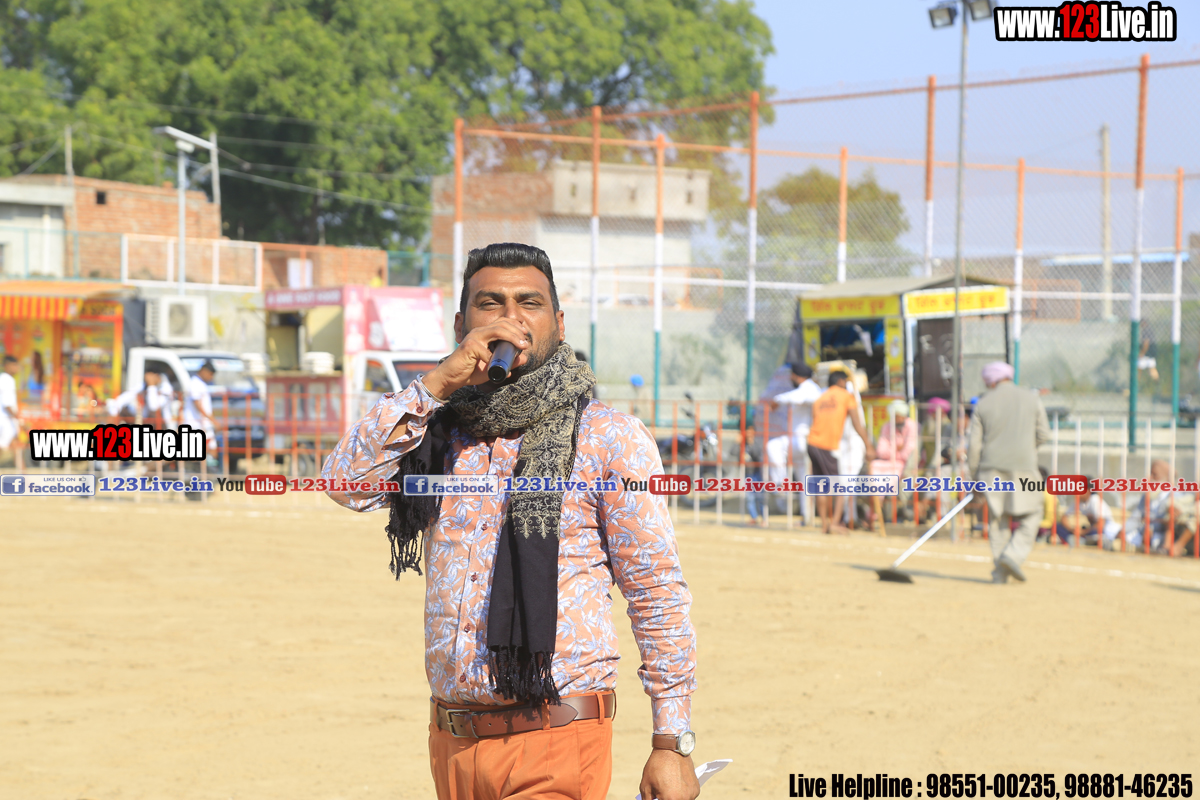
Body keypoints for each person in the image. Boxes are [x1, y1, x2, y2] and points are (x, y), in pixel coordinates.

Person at [322, 242, 699, 800]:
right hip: (454, 744)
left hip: (556, 735)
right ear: (461, 326)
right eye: (490, 303)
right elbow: (345, 484)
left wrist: (672, 741)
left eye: (529, 302)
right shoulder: (438, 434)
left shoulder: (608, 437)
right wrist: (437, 385)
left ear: (558, 324)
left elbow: (655, 591)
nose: (511, 318)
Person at [967, 361, 1051, 583]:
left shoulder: (983, 404)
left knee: (998, 519)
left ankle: (1000, 573)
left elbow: (974, 446)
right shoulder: (1032, 399)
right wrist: (1026, 448)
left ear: (990, 380)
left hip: (990, 469)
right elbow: (1044, 434)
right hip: (1025, 468)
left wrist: (975, 476)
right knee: (1034, 512)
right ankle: (1012, 556)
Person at [807, 369, 875, 534]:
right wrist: (868, 446)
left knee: (820, 486)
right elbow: (857, 423)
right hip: (826, 446)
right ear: (841, 382)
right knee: (840, 487)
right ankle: (835, 523)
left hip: (811, 443)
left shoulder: (819, 399)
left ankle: (825, 525)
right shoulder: (846, 396)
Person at [762, 363, 821, 514]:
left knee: (772, 446)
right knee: (804, 481)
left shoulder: (809, 389)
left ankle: (781, 483)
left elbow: (799, 397)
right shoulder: (809, 389)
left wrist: (777, 399)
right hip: (799, 440)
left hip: (802, 439)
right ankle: (806, 515)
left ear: (796, 376)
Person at [869, 400, 918, 537]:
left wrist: (894, 452)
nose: (897, 419)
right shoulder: (887, 426)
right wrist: (896, 450)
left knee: (896, 480)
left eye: (899, 416)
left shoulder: (912, 426)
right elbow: (881, 450)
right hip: (886, 463)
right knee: (873, 472)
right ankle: (874, 514)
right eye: (895, 416)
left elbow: (908, 451)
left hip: (904, 465)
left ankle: (893, 515)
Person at [0, 354, 22, 467]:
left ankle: (23, 474)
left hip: (7, 419)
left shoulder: (4, 379)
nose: (17, 368)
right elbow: (7, 404)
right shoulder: (7, 380)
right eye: (15, 365)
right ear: (7, 365)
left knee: (16, 447)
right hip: (6, 420)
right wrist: (18, 418)